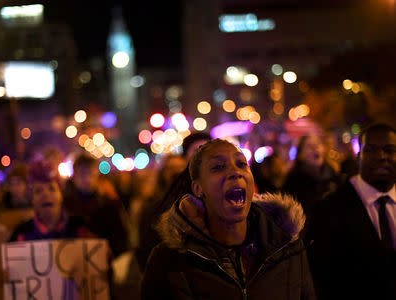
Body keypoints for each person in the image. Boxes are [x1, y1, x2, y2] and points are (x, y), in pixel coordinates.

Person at [141, 139, 316, 299]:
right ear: (198, 188)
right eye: (218, 167)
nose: (235, 172)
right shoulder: (168, 261)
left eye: (241, 164)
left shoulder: (287, 246)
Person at [310, 123, 395, 300]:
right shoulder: (329, 209)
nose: (381, 157)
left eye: (389, 150)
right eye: (371, 150)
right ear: (359, 156)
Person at [9, 160, 95, 241]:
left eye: (52, 189)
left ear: (61, 195)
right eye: (38, 190)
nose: (46, 194)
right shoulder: (21, 235)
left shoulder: (81, 229)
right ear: (32, 199)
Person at [62, 154, 129, 257]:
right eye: (82, 174)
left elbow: (120, 239)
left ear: (97, 175)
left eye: (91, 174)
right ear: (74, 177)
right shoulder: (65, 206)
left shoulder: (109, 205)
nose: (87, 179)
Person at [282, 134, 340, 243]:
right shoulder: (292, 182)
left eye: (318, 144)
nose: (315, 148)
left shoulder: (335, 178)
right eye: (309, 146)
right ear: (300, 154)